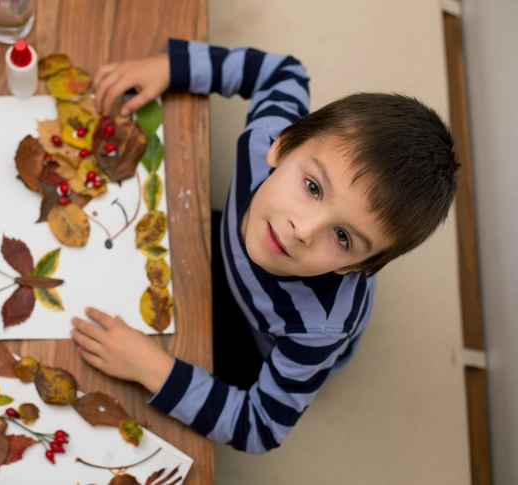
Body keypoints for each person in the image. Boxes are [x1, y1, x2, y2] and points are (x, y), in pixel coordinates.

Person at [70, 39, 459, 454]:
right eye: (312, 187)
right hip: (232, 248)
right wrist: (169, 67)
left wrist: (153, 369)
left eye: (343, 237)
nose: (302, 230)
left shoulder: (318, 330)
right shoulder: (264, 136)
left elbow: (260, 427)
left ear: (358, 267)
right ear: (284, 143)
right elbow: (284, 71)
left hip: (266, 335)